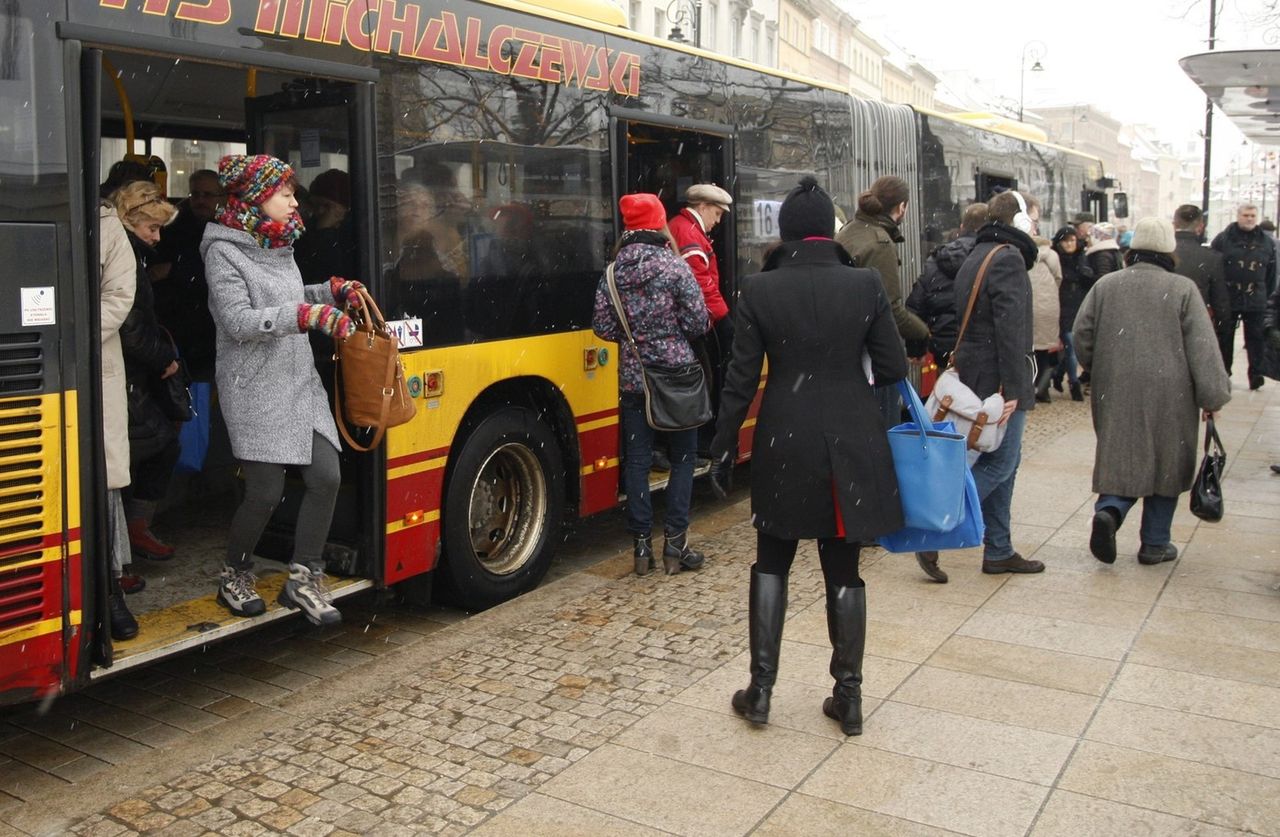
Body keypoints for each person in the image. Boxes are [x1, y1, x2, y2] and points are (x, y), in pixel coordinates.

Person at [709, 176, 908, 736]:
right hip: (851, 439)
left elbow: (741, 379)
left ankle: (762, 692)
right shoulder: (865, 283)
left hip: (784, 439)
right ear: (828, 229)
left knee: (772, 558)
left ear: (786, 232)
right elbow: (892, 366)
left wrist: (722, 445)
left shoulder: (760, 289)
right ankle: (848, 697)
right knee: (842, 567)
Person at [202, 154, 362, 625]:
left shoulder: (279, 240)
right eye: (286, 193)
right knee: (265, 493)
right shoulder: (222, 250)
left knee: (326, 476)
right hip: (253, 387)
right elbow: (237, 322)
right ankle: (234, 572)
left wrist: (328, 292)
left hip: (297, 380)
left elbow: (287, 299)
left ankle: (303, 578)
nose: (295, 201)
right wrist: (305, 317)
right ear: (257, 198)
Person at [1074, 218, 1231, 564]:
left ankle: (1111, 512)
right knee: (1166, 460)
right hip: (1171, 390)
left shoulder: (1106, 285)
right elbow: (1202, 348)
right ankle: (1155, 543)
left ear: (1133, 249)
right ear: (1168, 251)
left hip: (1115, 385)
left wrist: (1098, 367)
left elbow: (1081, 333)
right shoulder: (1183, 289)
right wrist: (1212, 396)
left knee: (1120, 453)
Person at [592, 193, 709, 577]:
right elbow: (698, 323)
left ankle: (641, 547)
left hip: (633, 379)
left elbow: (603, 327)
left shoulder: (612, 273)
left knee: (638, 462)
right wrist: (668, 336)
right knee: (684, 458)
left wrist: (637, 338)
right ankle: (676, 544)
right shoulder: (675, 269)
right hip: (677, 378)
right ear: (659, 224)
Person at [940, 190, 1044, 575]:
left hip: (978, 370)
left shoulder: (980, 252)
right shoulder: (1008, 259)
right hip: (998, 379)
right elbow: (1012, 329)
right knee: (1000, 464)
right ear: (1017, 221)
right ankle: (938, 529)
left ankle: (998, 547)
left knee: (1005, 463)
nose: (1035, 226)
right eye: (1032, 218)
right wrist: (1015, 389)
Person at [111, 181, 183, 566]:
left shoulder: (125, 251)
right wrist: (165, 359)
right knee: (156, 447)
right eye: (152, 228)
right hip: (129, 377)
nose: (156, 238)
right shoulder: (128, 258)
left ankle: (128, 535)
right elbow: (133, 331)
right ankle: (131, 533)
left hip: (130, 376)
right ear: (130, 220)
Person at [836, 175, 929, 427]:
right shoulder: (879, 244)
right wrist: (922, 333)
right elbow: (890, 309)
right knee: (882, 431)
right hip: (872, 357)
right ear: (901, 208)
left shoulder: (849, 232)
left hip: (844, 352)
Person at [99, 199, 140, 639]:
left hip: (92, 367)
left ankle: (111, 590)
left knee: (103, 483)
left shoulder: (108, 227)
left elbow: (118, 297)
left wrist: (65, 335)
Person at [151, 169, 222, 381]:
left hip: (211, 326)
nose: (200, 200)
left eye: (207, 195)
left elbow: (217, 276)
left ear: (224, 197)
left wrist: (175, 271)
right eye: (195, 194)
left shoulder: (232, 229)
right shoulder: (173, 225)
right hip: (178, 324)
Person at [906, 202, 988, 370]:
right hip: (982, 346)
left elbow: (915, 306)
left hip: (944, 349)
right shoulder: (991, 258)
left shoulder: (937, 258)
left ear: (962, 227)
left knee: (949, 393)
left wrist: (916, 349)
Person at [1212, 203, 1277, 390]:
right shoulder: (1223, 239)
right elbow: (1214, 268)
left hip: (1255, 297)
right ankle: (1224, 372)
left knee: (1256, 338)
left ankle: (1256, 374)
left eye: (1253, 216)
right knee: (1225, 336)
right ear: (1238, 216)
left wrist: (1267, 297)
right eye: (1246, 215)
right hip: (1228, 296)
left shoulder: (1266, 242)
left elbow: (1272, 272)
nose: (1249, 219)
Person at [1172, 205, 1231, 343]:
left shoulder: (1162, 254)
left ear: (1174, 225)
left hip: (1165, 323)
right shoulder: (1211, 258)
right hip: (1197, 322)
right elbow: (1220, 300)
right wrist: (1223, 329)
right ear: (1200, 227)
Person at [1049, 226, 1092, 401]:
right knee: (1070, 345)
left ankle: (1058, 374)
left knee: (1069, 347)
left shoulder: (1083, 257)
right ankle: (1074, 384)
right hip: (1062, 306)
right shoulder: (1055, 258)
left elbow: (1090, 279)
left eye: (1072, 240)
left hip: (1079, 306)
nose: (1069, 244)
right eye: (1066, 240)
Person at [1027, 198, 1062, 404]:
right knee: (1044, 351)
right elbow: (1059, 279)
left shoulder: (1024, 255)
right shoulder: (1052, 255)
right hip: (1049, 309)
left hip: (1030, 308)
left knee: (1031, 349)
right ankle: (1044, 388)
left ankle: (1031, 386)